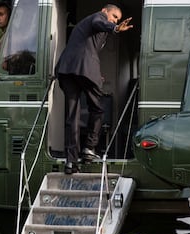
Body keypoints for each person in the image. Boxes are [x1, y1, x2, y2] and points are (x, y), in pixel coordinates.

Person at [55, 4, 133, 174]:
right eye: (114, 16)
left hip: (68, 70)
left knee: (72, 117)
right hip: (84, 69)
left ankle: (71, 161)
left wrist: (95, 73)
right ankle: (89, 147)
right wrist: (116, 28)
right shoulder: (98, 17)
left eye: (117, 20)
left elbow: (80, 49)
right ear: (105, 10)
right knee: (98, 108)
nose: (114, 20)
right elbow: (101, 22)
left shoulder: (85, 26)